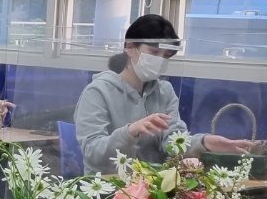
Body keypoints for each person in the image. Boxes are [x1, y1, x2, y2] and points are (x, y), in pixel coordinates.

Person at [74, 15, 256, 173]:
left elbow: (172, 140)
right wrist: (130, 132)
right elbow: (92, 152)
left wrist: (204, 143)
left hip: (155, 186)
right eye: (154, 52)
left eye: (166, 55)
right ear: (130, 47)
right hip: (108, 188)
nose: (160, 60)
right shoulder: (98, 92)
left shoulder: (165, 91)